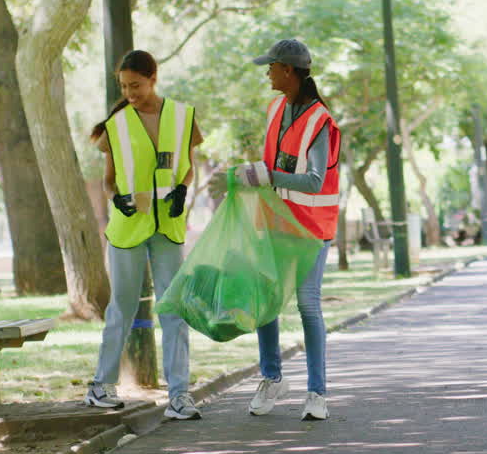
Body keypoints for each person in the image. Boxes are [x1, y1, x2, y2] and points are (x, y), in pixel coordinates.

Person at [215, 38, 341, 421]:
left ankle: (317, 392)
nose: (267, 73)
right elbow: (274, 165)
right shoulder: (275, 109)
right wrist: (253, 175)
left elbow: (315, 180)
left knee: (307, 303)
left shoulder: (321, 121)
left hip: (312, 227)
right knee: (266, 299)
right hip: (276, 222)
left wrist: (269, 174)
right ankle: (272, 378)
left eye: (271, 67)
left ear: (289, 71)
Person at [85, 50, 203, 420]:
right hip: (128, 228)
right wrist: (115, 198)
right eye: (124, 86)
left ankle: (180, 395)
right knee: (122, 306)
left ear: (153, 78)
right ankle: (101, 386)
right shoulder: (116, 125)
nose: (130, 92)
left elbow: (187, 170)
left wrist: (183, 189)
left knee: (173, 308)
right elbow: (107, 180)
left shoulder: (183, 117)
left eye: (135, 85)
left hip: (167, 225)